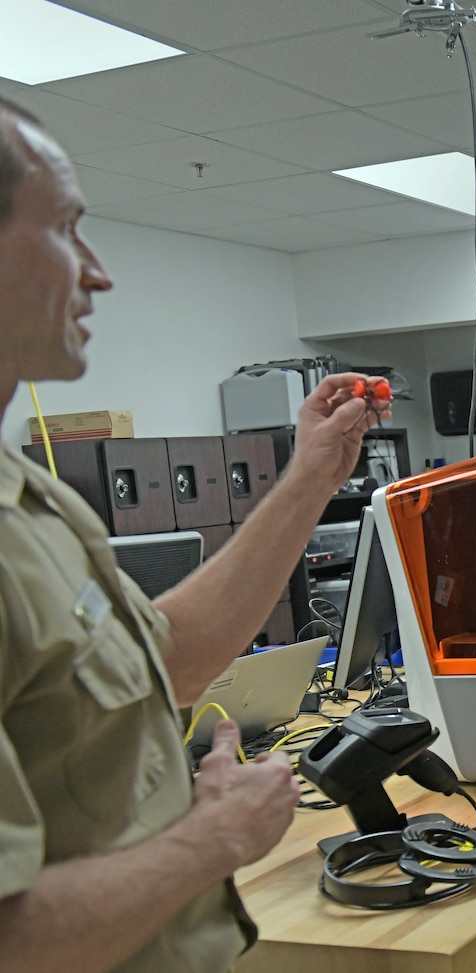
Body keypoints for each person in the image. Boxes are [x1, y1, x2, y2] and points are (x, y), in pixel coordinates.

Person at [0, 96, 392, 972]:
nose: (97, 273)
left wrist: (311, 478)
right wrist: (211, 838)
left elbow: (165, 661)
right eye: (67, 229)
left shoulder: (28, 497)